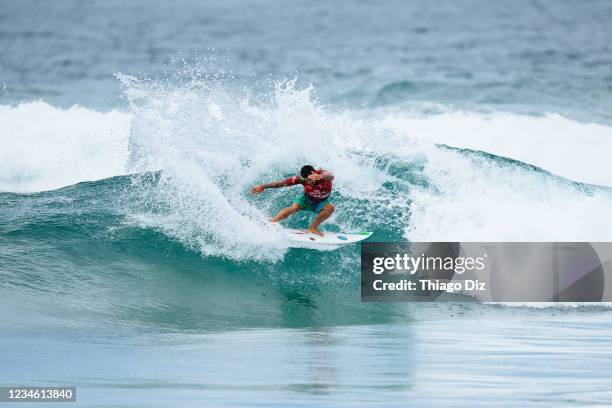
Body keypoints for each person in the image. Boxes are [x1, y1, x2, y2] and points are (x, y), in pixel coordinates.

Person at [251, 165, 335, 236]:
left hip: (321, 202)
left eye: (309, 180)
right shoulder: (302, 179)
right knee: (294, 207)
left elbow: (331, 176)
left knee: (330, 208)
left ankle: (312, 227)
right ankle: (272, 222)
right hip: (306, 198)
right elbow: (280, 184)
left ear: (314, 174)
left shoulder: (323, 175)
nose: (308, 183)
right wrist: (262, 187)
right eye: (306, 181)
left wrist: (321, 176)